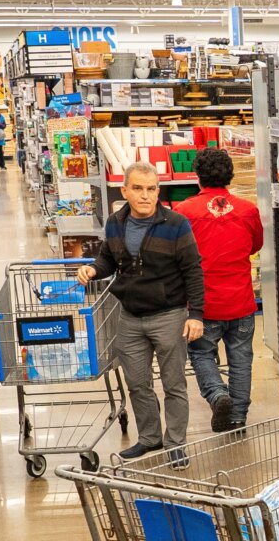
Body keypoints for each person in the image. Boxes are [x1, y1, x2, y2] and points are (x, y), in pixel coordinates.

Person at [76, 162, 204, 465]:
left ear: (158, 191)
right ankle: (149, 438)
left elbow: (193, 271)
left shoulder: (176, 224)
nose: (145, 196)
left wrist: (195, 314)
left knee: (174, 384)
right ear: (125, 191)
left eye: (151, 189)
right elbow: (109, 259)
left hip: (169, 315)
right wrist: (93, 268)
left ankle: (175, 444)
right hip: (130, 316)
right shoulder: (115, 223)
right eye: (137, 188)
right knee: (137, 383)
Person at [174, 147, 264, 432]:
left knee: (200, 353)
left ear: (197, 177)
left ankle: (217, 394)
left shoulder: (184, 212)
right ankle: (237, 417)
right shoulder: (248, 210)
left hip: (204, 304)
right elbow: (255, 246)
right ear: (230, 176)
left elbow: (178, 255)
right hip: (241, 301)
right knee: (241, 360)